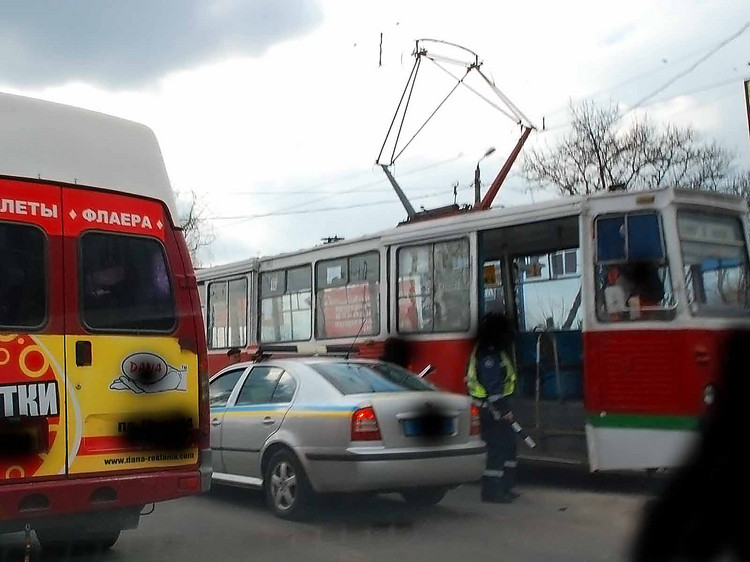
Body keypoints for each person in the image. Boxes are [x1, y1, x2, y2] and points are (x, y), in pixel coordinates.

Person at [466, 313, 519, 503]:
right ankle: (491, 491)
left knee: (509, 446)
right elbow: (493, 386)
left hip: (496, 406)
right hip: (490, 409)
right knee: (497, 448)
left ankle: (506, 486)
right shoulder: (487, 354)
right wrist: (504, 410)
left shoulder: (495, 350)